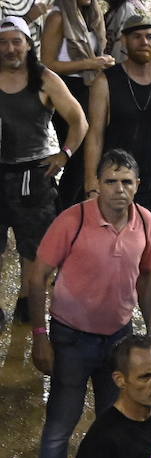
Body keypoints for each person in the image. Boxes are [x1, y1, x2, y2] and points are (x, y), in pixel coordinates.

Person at [31, 147, 151, 458]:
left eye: (126, 182)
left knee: (111, 424)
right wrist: (40, 336)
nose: (119, 190)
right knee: (61, 423)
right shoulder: (74, 220)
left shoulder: (146, 222)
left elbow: (147, 277)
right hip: (70, 337)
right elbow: (37, 277)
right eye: (111, 181)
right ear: (96, 185)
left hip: (118, 339)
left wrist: (150, 330)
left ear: (138, 185)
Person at [82, 13, 151, 308]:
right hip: (115, 185)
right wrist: (92, 184)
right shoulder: (106, 81)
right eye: (137, 36)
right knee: (112, 259)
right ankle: (114, 324)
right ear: (124, 42)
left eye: (150, 36)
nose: (144, 42)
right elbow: (95, 135)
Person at [0, 13, 84, 327]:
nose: (10, 49)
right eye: (3, 43)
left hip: (32, 173)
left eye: (16, 42)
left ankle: (26, 300)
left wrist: (64, 154)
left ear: (28, 44)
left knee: (33, 245)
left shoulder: (44, 78)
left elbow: (79, 120)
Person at [39, 0, 106, 207]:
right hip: (65, 88)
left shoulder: (94, 15)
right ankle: (61, 212)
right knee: (77, 158)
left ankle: (78, 211)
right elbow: (47, 63)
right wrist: (91, 63)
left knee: (92, 156)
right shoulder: (57, 16)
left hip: (91, 86)